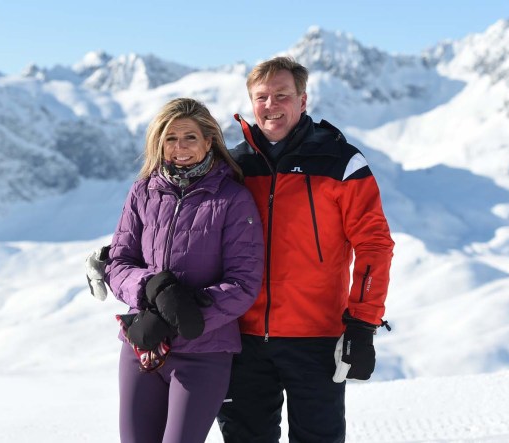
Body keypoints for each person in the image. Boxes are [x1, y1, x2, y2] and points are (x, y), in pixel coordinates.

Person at [217, 57, 395, 443]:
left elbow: (374, 244)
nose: (271, 105)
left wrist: (363, 325)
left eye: (282, 94)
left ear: (303, 99)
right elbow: (189, 230)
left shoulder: (341, 162)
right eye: (261, 96)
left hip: (315, 338)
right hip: (241, 338)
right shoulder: (234, 164)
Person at [105, 97, 264, 443]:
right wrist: (153, 290)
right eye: (171, 138)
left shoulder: (232, 199)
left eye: (190, 137)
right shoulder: (142, 192)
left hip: (203, 351)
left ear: (209, 141)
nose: (180, 147)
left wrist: (179, 314)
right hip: (142, 344)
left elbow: (244, 281)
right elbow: (117, 264)